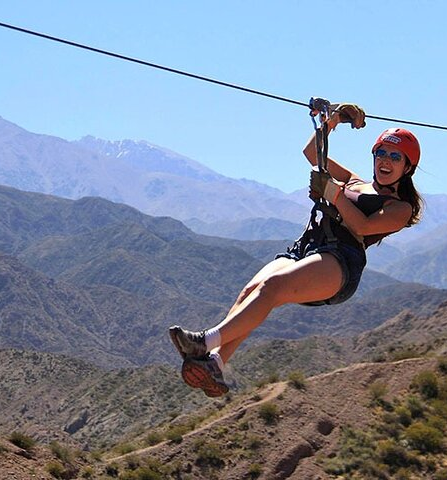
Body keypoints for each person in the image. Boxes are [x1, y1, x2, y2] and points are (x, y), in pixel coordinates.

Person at [169, 104, 423, 397]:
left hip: (341, 260)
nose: (385, 161)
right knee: (253, 290)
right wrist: (334, 120)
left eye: (395, 157)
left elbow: (363, 227)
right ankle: (215, 363)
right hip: (309, 245)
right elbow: (312, 155)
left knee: (274, 286)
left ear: (408, 167)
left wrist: (333, 193)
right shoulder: (354, 181)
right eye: (381, 153)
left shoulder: (399, 208)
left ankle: (204, 342)